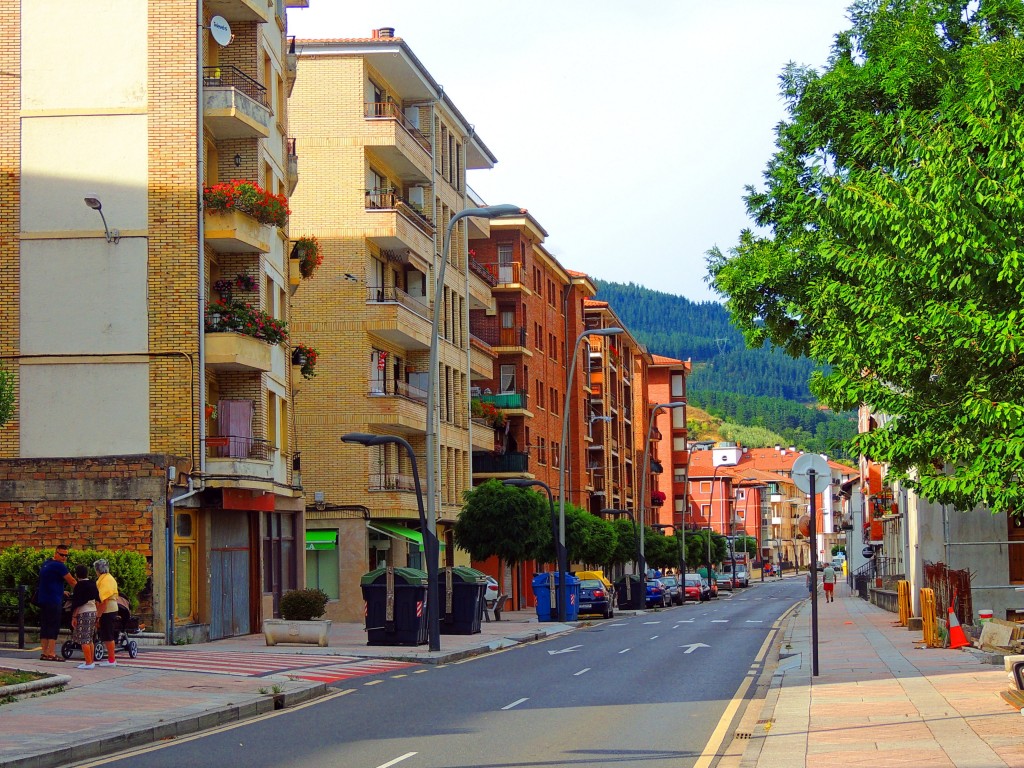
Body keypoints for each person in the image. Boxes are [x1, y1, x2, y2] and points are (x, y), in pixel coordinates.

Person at [37, 545, 77, 662]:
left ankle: (44, 653)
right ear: (56, 553)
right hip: (53, 601)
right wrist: (84, 591)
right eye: (62, 554)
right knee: (53, 627)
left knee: (45, 626)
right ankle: (51, 653)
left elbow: (50, 581)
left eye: (66, 555)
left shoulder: (46, 563)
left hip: (43, 599)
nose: (64, 557)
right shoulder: (59, 566)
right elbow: (72, 581)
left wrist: (61, 591)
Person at [69, 564, 100, 669]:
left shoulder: (79, 586)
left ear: (77, 574)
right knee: (90, 638)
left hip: (83, 612)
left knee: (83, 639)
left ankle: (88, 662)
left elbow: (78, 603)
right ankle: (91, 661)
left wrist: (74, 617)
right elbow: (98, 599)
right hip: (93, 611)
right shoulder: (93, 583)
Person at [94, 559, 119, 667]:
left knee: (108, 635)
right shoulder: (108, 578)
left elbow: (103, 600)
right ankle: (111, 659)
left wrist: (98, 616)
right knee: (107, 635)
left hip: (107, 610)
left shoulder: (105, 580)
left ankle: (111, 660)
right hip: (110, 609)